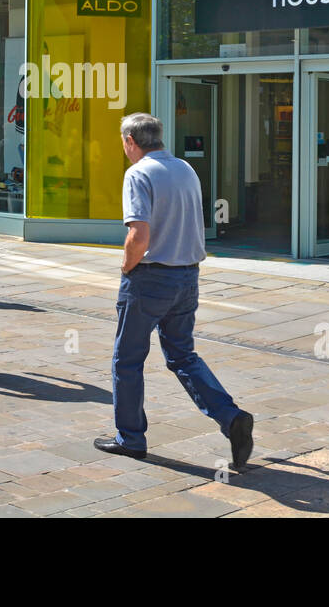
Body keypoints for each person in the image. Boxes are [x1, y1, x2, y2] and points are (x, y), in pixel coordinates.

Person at [95, 112, 254, 467]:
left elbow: (139, 235)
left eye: (124, 143)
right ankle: (230, 417)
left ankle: (131, 439)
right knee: (183, 356)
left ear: (130, 141)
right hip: (187, 277)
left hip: (150, 278)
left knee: (127, 360)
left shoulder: (138, 173)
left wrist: (126, 267)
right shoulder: (185, 168)